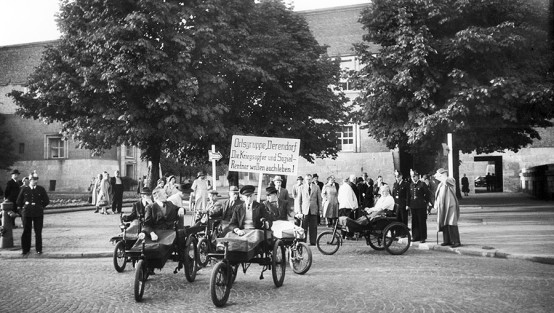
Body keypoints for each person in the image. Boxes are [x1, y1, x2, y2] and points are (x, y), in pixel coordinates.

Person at [16, 173, 49, 255]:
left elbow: (46, 201)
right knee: (26, 231)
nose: (35, 181)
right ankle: (25, 249)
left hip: (38, 213)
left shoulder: (41, 189)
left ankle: (39, 249)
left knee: (38, 231)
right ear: (30, 180)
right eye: (34, 180)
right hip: (27, 213)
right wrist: (22, 210)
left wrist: (40, 206)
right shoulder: (24, 189)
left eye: (36, 179)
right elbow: (18, 201)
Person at [434, 168, 461, 247]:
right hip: (443, 206)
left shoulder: (450, 179)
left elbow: (446, 181)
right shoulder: (440, 184)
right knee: (444, 222)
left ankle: (456, 241)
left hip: (450, 205)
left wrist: (441, 176)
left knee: (452, 222)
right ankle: (447, 240)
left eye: (439, 174)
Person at [296, 174, 322, 245]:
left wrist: (320, 210)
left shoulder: (316, 187)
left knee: (313, 227)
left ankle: (313, 242)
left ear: (312, 179)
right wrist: (300, 212)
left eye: (310, 179)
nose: (308, 181)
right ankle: (303, 242)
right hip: (305, 210)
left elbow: (319, 199)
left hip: (314, 210)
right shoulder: (301, 187)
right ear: (305, 180)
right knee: (304, 227)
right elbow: (299, 201)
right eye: (307, 179)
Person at [406, 170, 431, 243]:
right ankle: (415, 236)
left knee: (421, 222)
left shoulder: (422, 184)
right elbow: (409, 195)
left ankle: (422, 237)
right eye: (412, 176)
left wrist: (425, 202)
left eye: (415, 176)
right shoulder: (411, 185)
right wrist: (408, 204)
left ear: (418, 176)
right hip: (413, 206)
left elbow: (427, 194)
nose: (413, 178)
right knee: (414, 222)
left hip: (421, 206)